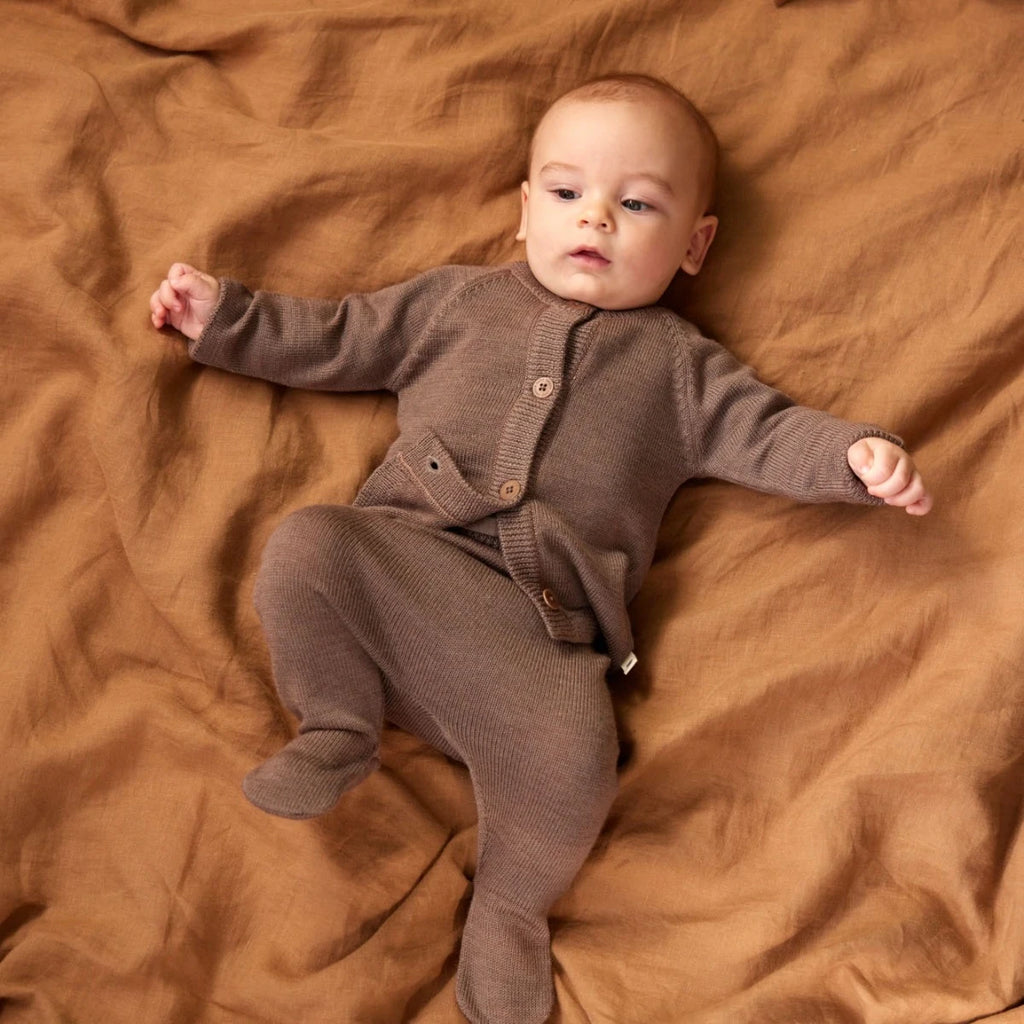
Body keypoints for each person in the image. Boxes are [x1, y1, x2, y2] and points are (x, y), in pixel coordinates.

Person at [148, 74, 931, 1024]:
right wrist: (225, 319)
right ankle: (340, 723)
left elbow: (770, 431)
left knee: (579, 749)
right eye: (566, 192)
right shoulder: (455, 303)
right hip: (403, 567)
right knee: (307, 545)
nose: (594, 217)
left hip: (538, 637)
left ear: (694, 245)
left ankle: (511, 906)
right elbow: (340, 336)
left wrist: (855, 457)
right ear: (524, 213)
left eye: (636, 205)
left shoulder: (682, 370)